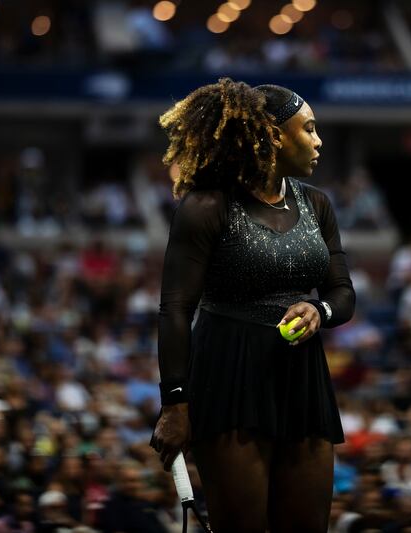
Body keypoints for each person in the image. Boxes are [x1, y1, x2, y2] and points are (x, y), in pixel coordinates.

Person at [151, 78, 355, 532]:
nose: (319, 140)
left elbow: (343, 295)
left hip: (302, 381)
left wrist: (318, 312)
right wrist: (175, 404)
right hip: (227, 379)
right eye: (310, 128)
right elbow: (175, 309)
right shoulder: (205, 206)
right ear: (273, 136)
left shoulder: (318, 205)